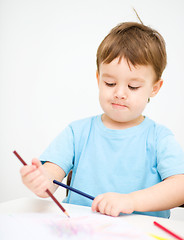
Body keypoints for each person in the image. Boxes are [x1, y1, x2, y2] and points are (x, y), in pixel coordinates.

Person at [20, 22, 184, 218]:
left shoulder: (159, 137)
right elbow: (50, 175)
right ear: (98, 79)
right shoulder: (77, 132)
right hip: (80, 229)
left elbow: (180, 186)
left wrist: (130, 201)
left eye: (133, 86)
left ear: (155, 88)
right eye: (110, 83)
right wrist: (41, 181)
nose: (119, 93)